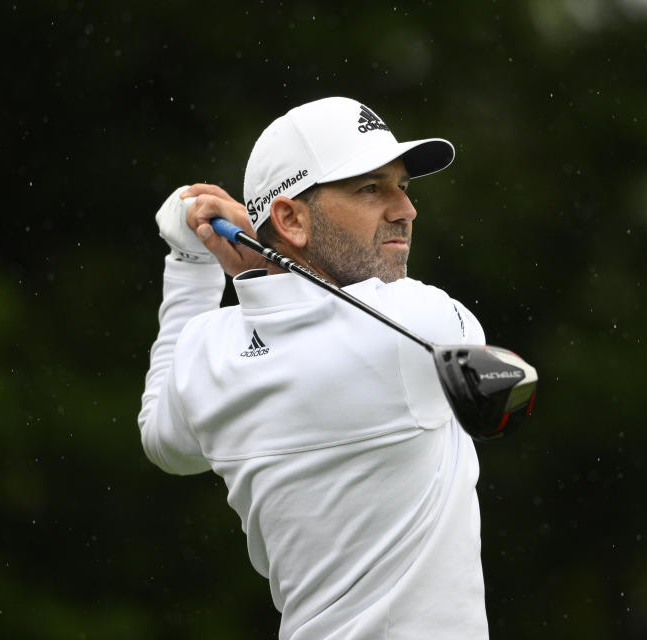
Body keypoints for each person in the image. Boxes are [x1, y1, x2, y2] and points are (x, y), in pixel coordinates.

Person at [138, 97, 490, 639]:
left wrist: (191, 263)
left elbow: (165, 443)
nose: (405, 209)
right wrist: (259, 263)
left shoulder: (207, 354)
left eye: (403, 186)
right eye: (370, 188)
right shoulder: (415, 325)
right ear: (291, 218)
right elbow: (462, 339)